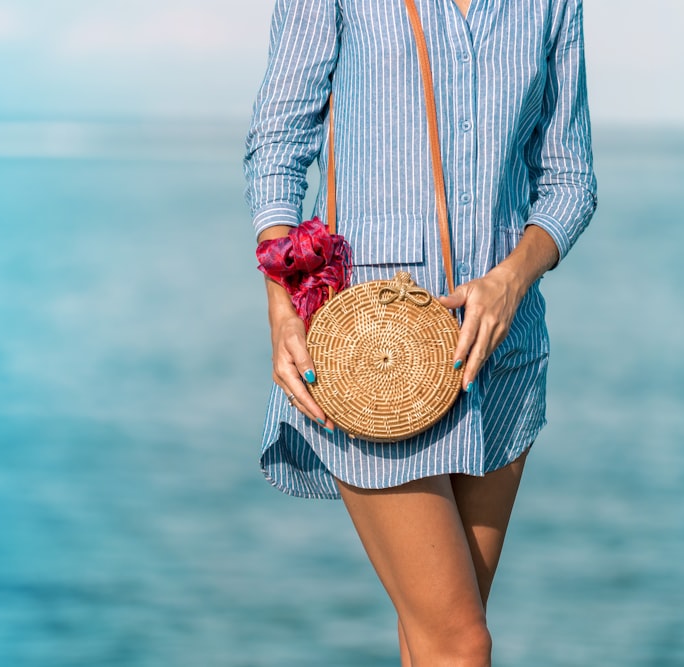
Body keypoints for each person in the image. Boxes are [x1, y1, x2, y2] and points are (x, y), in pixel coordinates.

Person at [244, 0, 596, 664]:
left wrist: (511, 279)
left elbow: (571, 181)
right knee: (460, 645)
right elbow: (279, 144)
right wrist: (281, 302)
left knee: (431, 642)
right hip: (369, 357)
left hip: (502, 359)